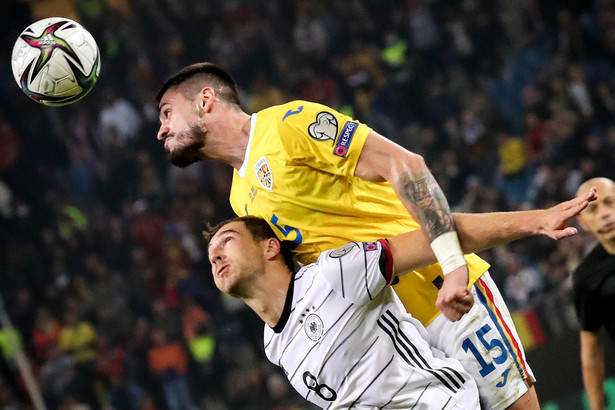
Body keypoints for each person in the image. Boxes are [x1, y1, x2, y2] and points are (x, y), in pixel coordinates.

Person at [156, 62, 550, 408]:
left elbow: (403, 164)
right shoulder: (240, 198)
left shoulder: (288, 124)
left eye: (167, 113)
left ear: (205, 99)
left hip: (440, 290)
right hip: (391, 341)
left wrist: (453, 268)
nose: (161, 130)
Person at [203, 192, 594, 409]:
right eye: (210, 254)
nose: (216, 255)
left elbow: (438, 234)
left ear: (271, 247)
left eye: (227, 241)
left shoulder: (335, 273)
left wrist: (536, 221)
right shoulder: (275, 347)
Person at [573, 177, 615, 410]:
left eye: (610, 202)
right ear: (584, 223)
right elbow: (591, 352)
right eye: (594, 209)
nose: (605, 214)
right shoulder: (586, 278)